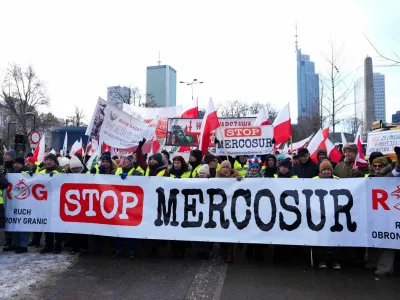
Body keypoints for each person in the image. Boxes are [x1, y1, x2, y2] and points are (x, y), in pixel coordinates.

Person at [312, 160, 342, 269]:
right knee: (321, 239)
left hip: (334, 213)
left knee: (335, 238)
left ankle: (335, 261)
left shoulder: (337, 180)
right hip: (320, 213)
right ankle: (322, 261)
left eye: (328, 170)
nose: (326, 172)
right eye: (324, 170)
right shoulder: (314, 180)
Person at [3, 157, 30, 254]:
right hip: (13, 202)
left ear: (23, 164)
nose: (16, 165)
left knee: (22, 224)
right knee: (14, 223)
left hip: (23, 202)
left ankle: (23, 245)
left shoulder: (27, 173)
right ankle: (15, 243)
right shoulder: (11, 172)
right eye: (15, 163)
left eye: (19, 163)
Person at [216, 160, 241, 263]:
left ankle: (229, 253)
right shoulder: (216, 179)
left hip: (233, 207)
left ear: (230, 169)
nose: (225, 169)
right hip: (221, 208)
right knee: (223, 229)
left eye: (227, 167)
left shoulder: (236, 178)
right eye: (223, 167)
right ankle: (223, 249)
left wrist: (238, 180)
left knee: (230, 230)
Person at [39, 154, 65, 254]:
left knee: (57, 223)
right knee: (47, 224)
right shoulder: (40, 170)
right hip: (45, 202)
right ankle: (48, 244)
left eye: (50, 160)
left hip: (57, 201)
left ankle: (58, 244)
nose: (48, 162)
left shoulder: (60, 170)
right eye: (47, 160)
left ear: (55, 161)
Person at [244, 158, 264, 260]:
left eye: (257, 167)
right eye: (253, 168)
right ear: (249, 169)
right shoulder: (244, 179)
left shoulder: (264, 178)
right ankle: (249, 248)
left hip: (261, 206)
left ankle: (259, 251)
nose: (255, 169)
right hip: (248, 206)